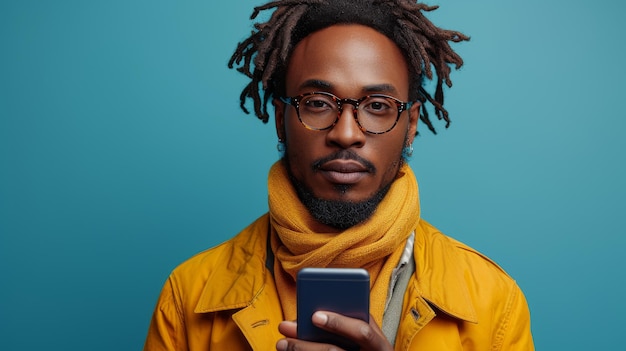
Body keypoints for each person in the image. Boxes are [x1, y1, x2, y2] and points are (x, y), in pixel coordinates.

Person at [143, 0, 534, 350]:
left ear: (410, 124)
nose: (346, 133)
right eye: (317, 103)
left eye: (377, 105)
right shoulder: (188, 296)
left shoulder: (493, 302)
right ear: (281, 120)